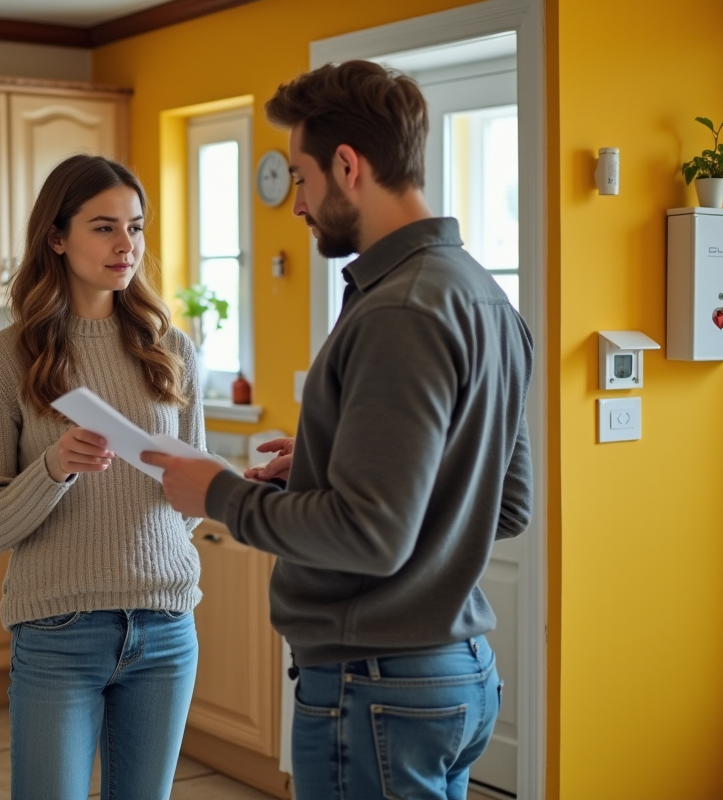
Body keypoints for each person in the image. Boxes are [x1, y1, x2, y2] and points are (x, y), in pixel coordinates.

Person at [142, 60, 533, 800]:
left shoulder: (398, 312)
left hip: (376, 685)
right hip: (457, 679)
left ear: (347, 167)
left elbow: (371, 535)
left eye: (299, 177)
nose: (297, 204)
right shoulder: (484, 296)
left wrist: (218, 493)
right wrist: (327, 459)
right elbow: (504, 504)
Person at [0, 154, 205, 800]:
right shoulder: (3, 360)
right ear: (57, 237)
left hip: (164, 626)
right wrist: (54, 468)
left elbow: (191, 499)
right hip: (58, 634)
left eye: (136, 227)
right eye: (104, 227)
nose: (126, 245)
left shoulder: (172, 351)